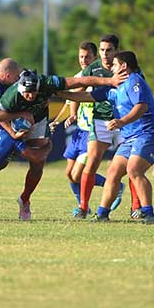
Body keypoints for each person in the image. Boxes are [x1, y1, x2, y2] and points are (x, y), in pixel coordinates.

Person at [0, 66, 127, 220]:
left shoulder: (47, 83)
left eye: (34, 91)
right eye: (27, 92)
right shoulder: (9, 97)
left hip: (39, 121)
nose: (31, 95)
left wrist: (110, 81)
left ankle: (25, 199)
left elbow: (78, 81)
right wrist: (13, 132)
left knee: (38, 161)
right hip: (9, 122)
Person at [59, 51, 154, 224]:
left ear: (124, 66)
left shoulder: (134, 81)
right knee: (113, 172)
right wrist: (62, 94)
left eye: (115, 65)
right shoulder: (112, 88)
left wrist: (121, 121)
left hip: (149, 133)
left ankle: (148, 213)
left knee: (134, 169)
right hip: (131, 137)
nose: (112, 67)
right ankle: (102, 213)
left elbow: (142, 106)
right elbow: (86, 96)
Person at [49, 41, 123, 215]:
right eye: (81, 57)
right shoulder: (81, 76)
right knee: (70, 174)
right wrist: (68, 116)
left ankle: (111, 188)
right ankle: (84, 206)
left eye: (87, 57)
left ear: (94, 57)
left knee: (80, 172)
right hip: (79, 131)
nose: (84, 60)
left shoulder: (109, 74)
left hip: (94, 127)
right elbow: (72, 99)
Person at [73, 34, 138, 219]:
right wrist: (72, 112)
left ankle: (136, 208)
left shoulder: (126, 68)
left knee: (134, 166)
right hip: (100, 120)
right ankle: (83, 207)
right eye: (102, 50)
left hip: (124, 121)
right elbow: (78, 89)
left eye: (108, 50)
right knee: (92, 162)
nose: (104, 54)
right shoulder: (93, 68)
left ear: (117, 50)